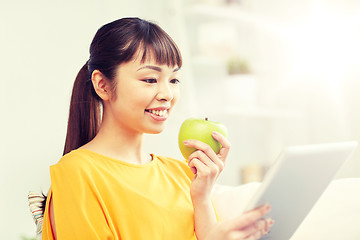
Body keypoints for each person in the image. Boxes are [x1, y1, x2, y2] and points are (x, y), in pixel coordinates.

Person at [41, 17, 274, 240]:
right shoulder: (77, 173)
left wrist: (202, 196)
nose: (167, 95)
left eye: (174, 80)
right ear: (102, 85)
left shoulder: (183, 174)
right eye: (150, 79)